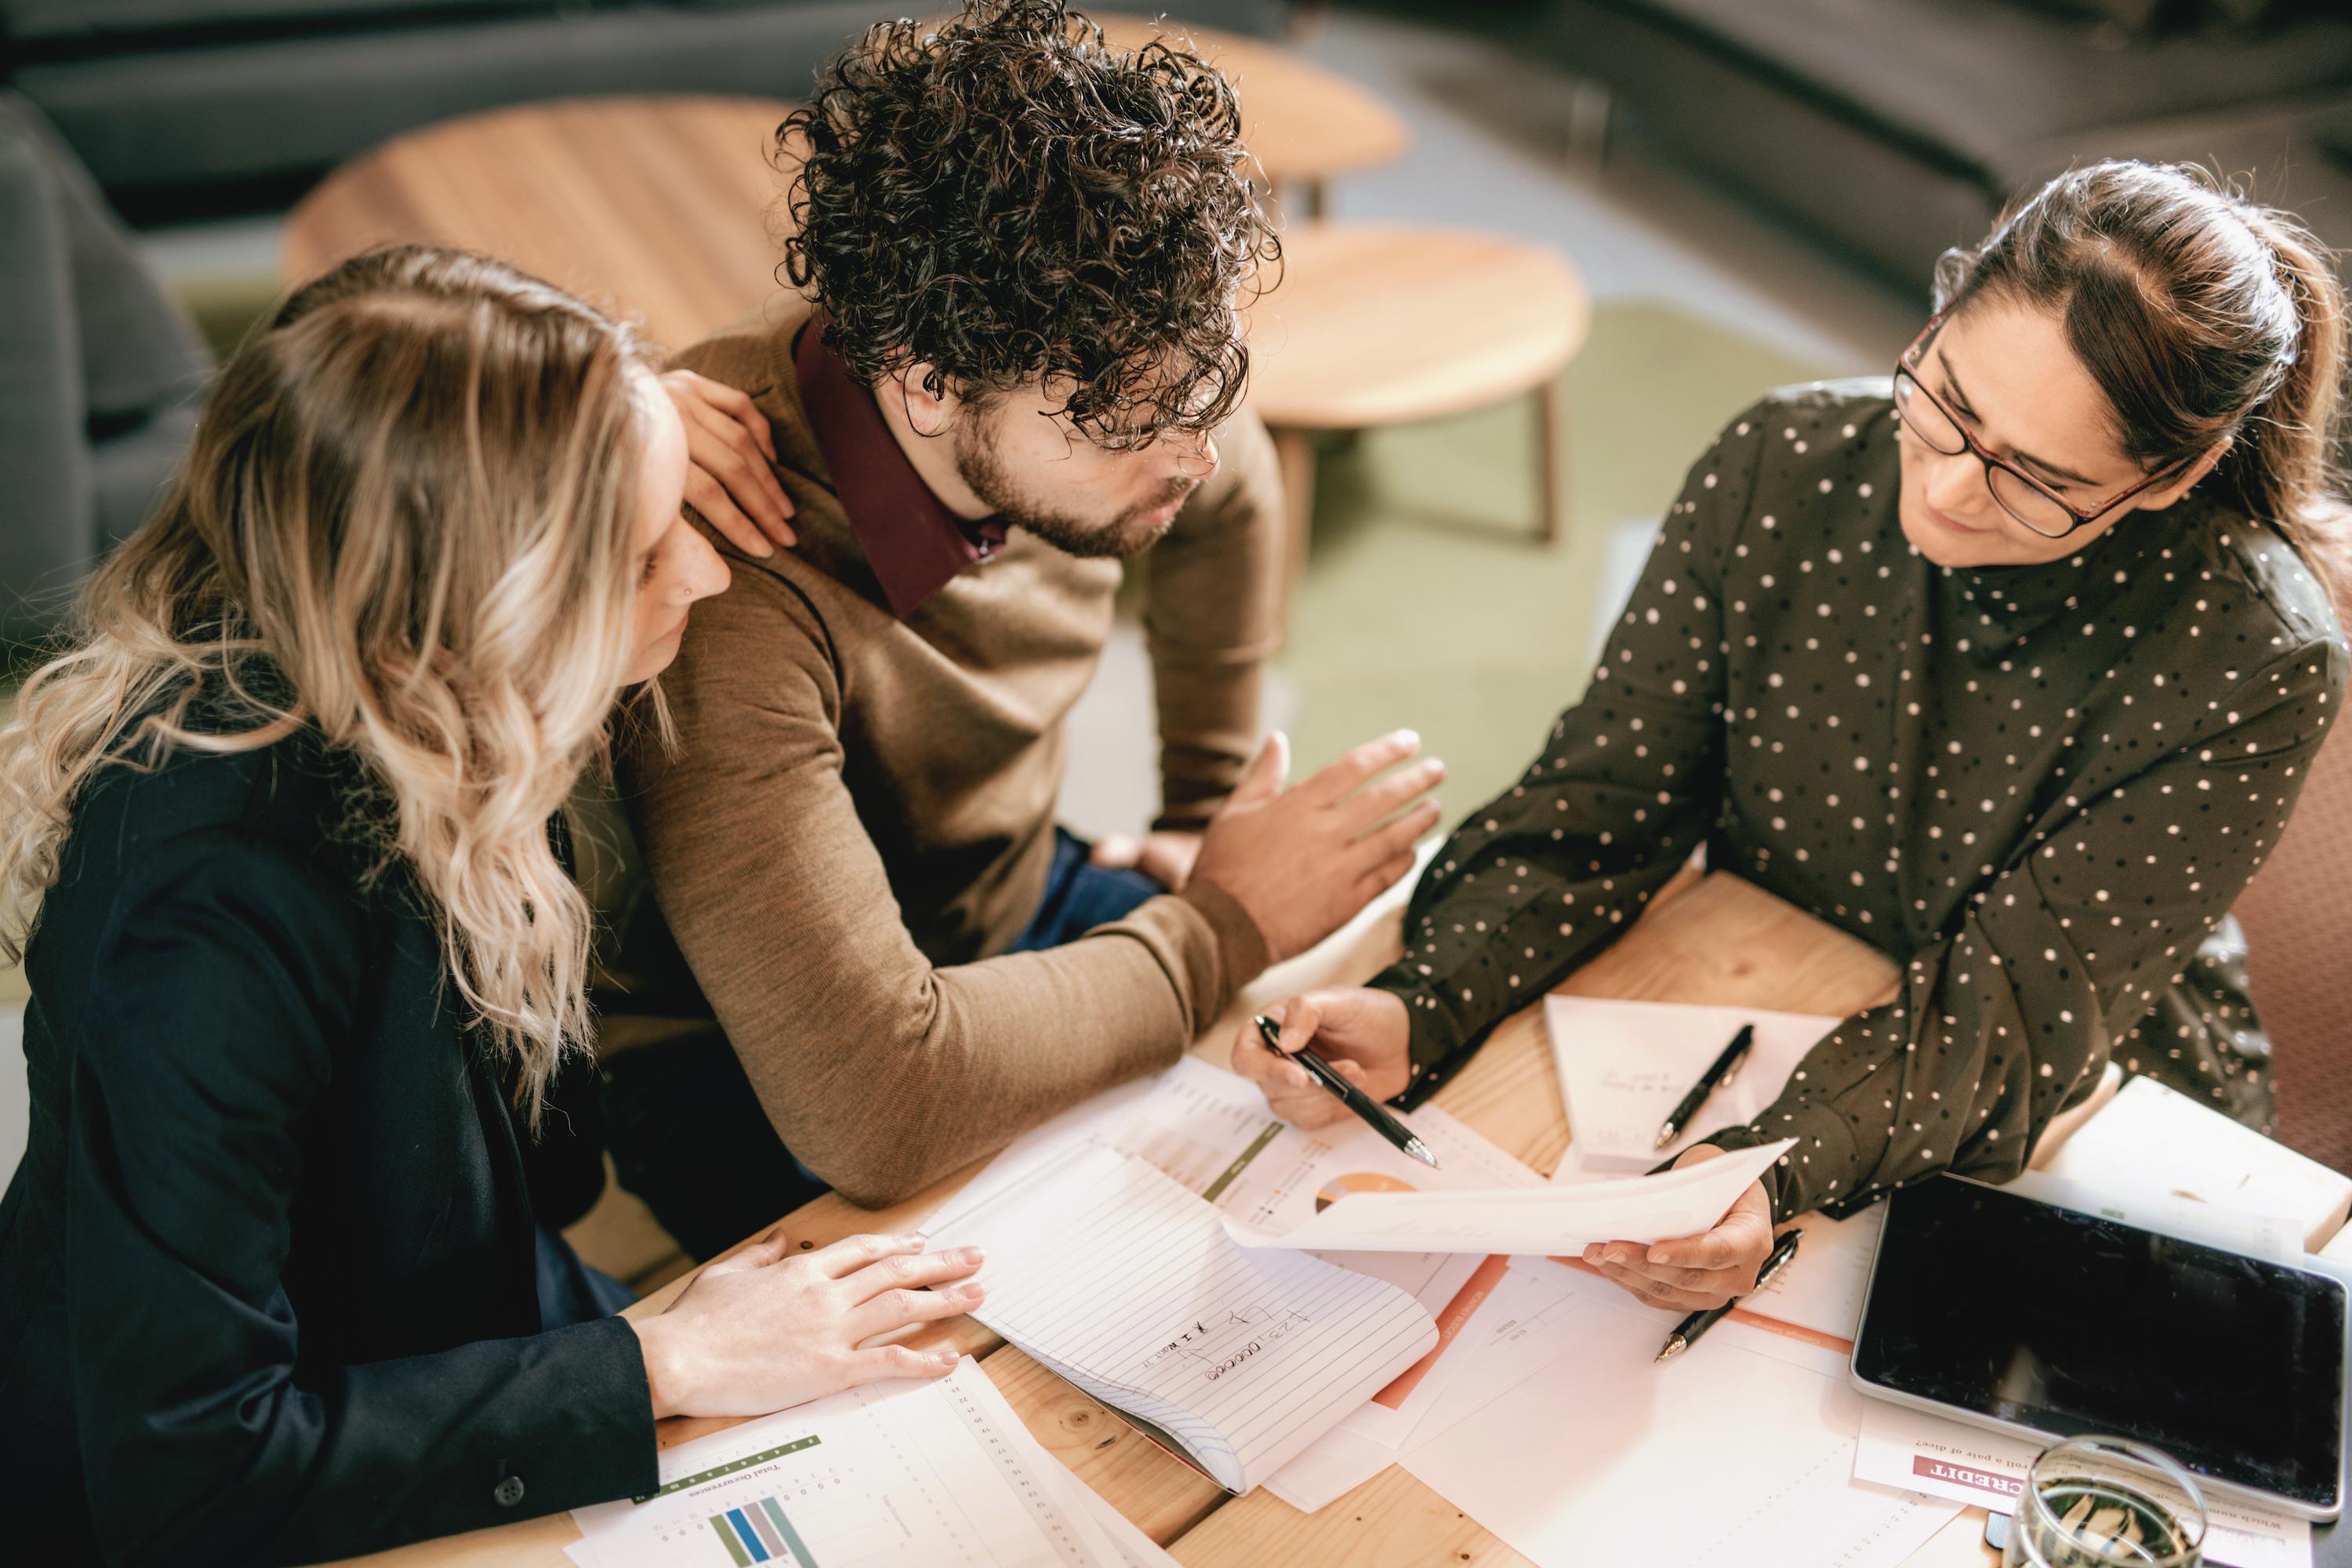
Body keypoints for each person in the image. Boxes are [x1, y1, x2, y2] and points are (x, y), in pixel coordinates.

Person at [0, 245, 987, 1566]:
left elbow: (531, 1176)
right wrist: (658, 1362)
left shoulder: (424, 713)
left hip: (470, 1326)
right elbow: (195, 1469)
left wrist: (620, 422)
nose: (701, 574)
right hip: (282, 1476)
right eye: (642, 553)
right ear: (465, 622)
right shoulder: (208, 928)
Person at [1236, 160, 2350, 1314]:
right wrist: (1428, 1000)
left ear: (2177, 476)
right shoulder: (1786, 463)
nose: (1954, 490)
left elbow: (2009, 1020)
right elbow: (1600, 802)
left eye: (2037, 478)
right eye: (1949, 401)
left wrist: (1774, 1170)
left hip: (2077, 1091)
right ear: (1944, 305)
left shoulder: (2254, 658)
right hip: (1766, 989)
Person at [600, 0, 1442, 1251]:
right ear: (929, 383)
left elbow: (1235, 487)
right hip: (764, 1059)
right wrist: (1222, 921)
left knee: (1316, 1145)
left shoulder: (1121, 369)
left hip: (1003, 903)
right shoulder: (733, 577)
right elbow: (876, 1107)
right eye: (1128, 427)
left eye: (1206, 391)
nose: (1194, 454)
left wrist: (1197, 815)